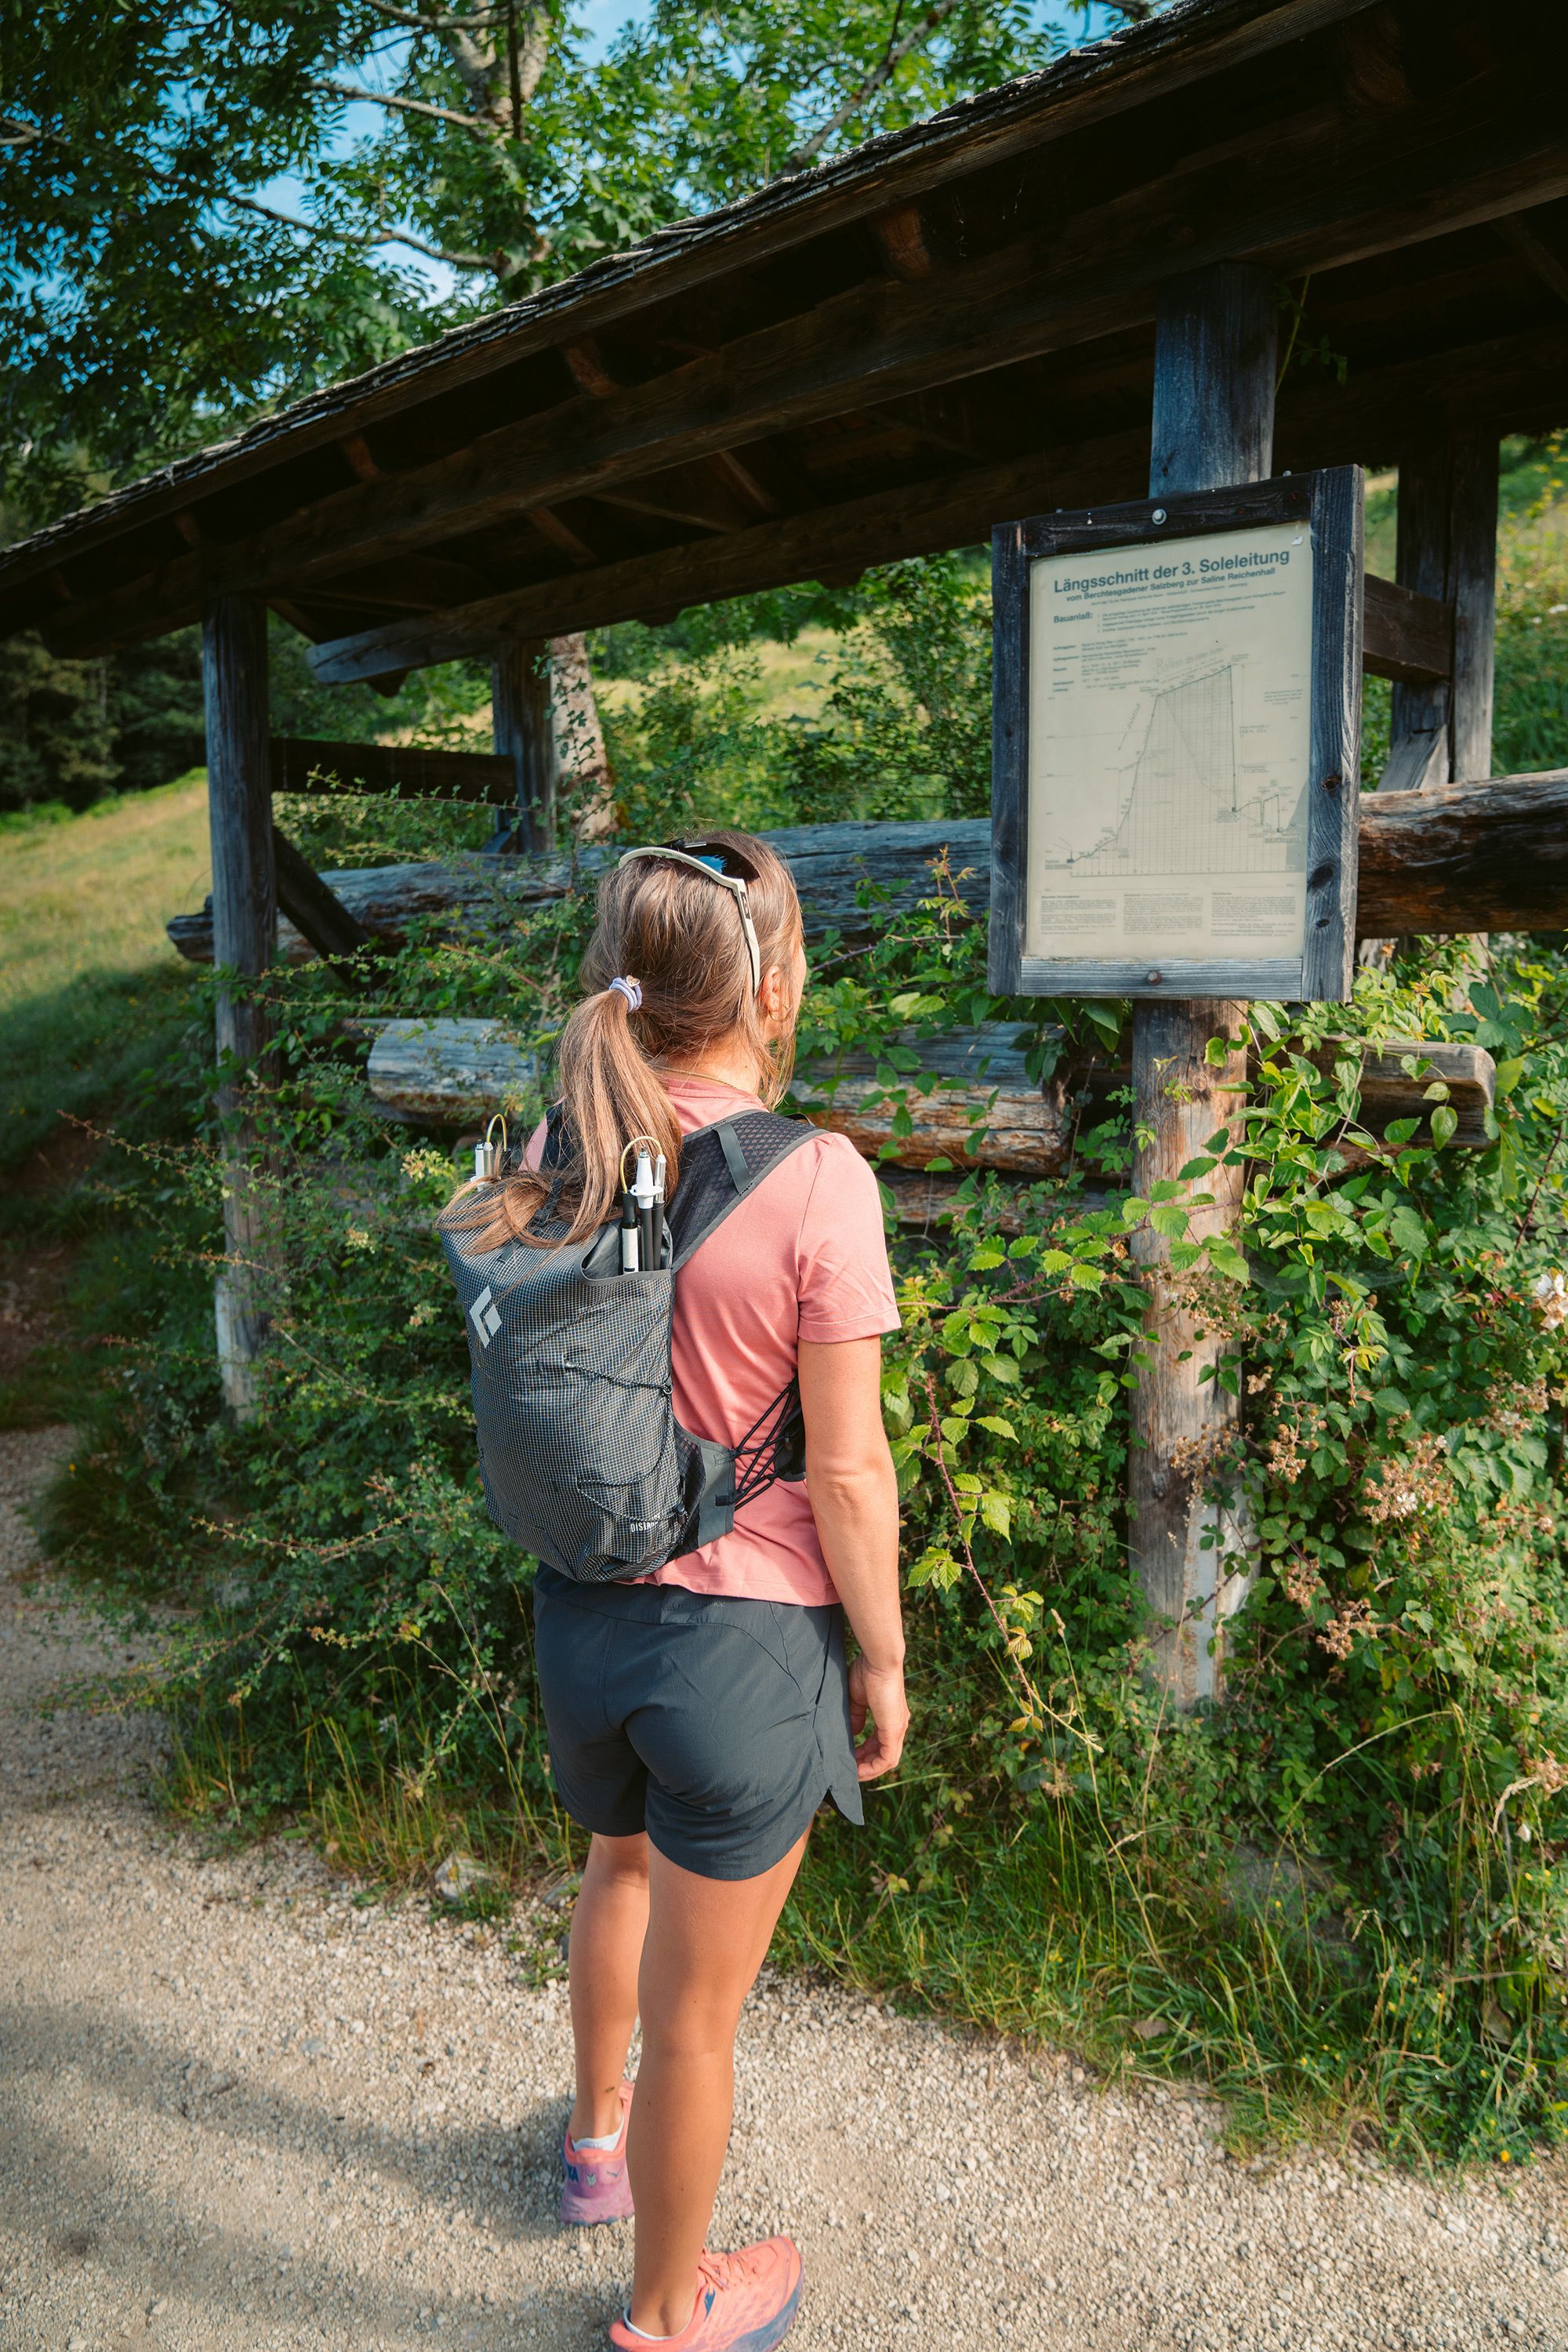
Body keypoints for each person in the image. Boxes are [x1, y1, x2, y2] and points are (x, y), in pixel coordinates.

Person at [452, 831, 908, 2350]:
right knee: (697, 2016)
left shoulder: (550, 1150)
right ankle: (667, 2313)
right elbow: (845, 1474)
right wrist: (884, 1663)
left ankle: (594, 2144)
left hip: (580, 1618)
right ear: (772, 986)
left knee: (613, 1875)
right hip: (740, 1652)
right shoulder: (817, 1178)